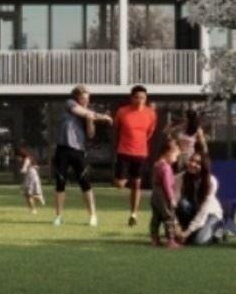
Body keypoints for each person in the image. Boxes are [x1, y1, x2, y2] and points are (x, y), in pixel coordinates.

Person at [53, 85, 113, 227]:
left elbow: (91, 134)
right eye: (83, 98)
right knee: (60, 183)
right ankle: (59, 216)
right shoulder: (70, 104)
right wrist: (103, 116)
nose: (86, 101)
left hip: (78, 151)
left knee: (85, 182)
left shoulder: (88, 114)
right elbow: (83, 112)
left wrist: (90, 120)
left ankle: (93, 216)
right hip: (62, 149)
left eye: (88, 99)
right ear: (76, 98)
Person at [112, 85, 158, 229]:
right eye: (137, 97)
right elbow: (116, 130)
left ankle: (133, 214)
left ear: (146, 99)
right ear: (132, 98)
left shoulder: (151, 114)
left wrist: (140, 143)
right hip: (124, 151)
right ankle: (118, 177)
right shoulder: (122, 112)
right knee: (120, 185)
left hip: (140, 153)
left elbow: (149, 133)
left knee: (137, 184)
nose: (140, 100)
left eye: (143, 98)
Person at [179, 154, 225, 246]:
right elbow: (173, 203)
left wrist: (187, 232)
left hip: (209, 214)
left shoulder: (211, 182)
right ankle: (188, 233)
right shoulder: (181, 178)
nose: (192, 164)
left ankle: (219, 230)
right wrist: (176, 228)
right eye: (191, 160)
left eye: (197, 163)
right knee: (183, 204)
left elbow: (203, 212)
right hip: (193, 212)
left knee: (199, 241)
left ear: (204, 166)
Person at [148, 140, 185, 247]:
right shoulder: (166, 168)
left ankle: (154, 238)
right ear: (168, 152)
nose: (176, 159)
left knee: (156, 217)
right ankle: (171, 240)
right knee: (168, 217)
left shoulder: (156, 165)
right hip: (163, 196)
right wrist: (171, 199)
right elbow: (167, 185)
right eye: (175, 156)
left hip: (155, 196)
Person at [18, 147, 44, 213]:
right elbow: (36, 167)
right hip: (28, 177)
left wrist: (23, 169)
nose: (17, 158)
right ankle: (33, 209)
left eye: (18, 156)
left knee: (29, 194)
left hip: (31, 177)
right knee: (26, 195)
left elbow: (25, 167)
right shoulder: (25, 159)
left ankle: (39, 197)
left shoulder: (27, 159)